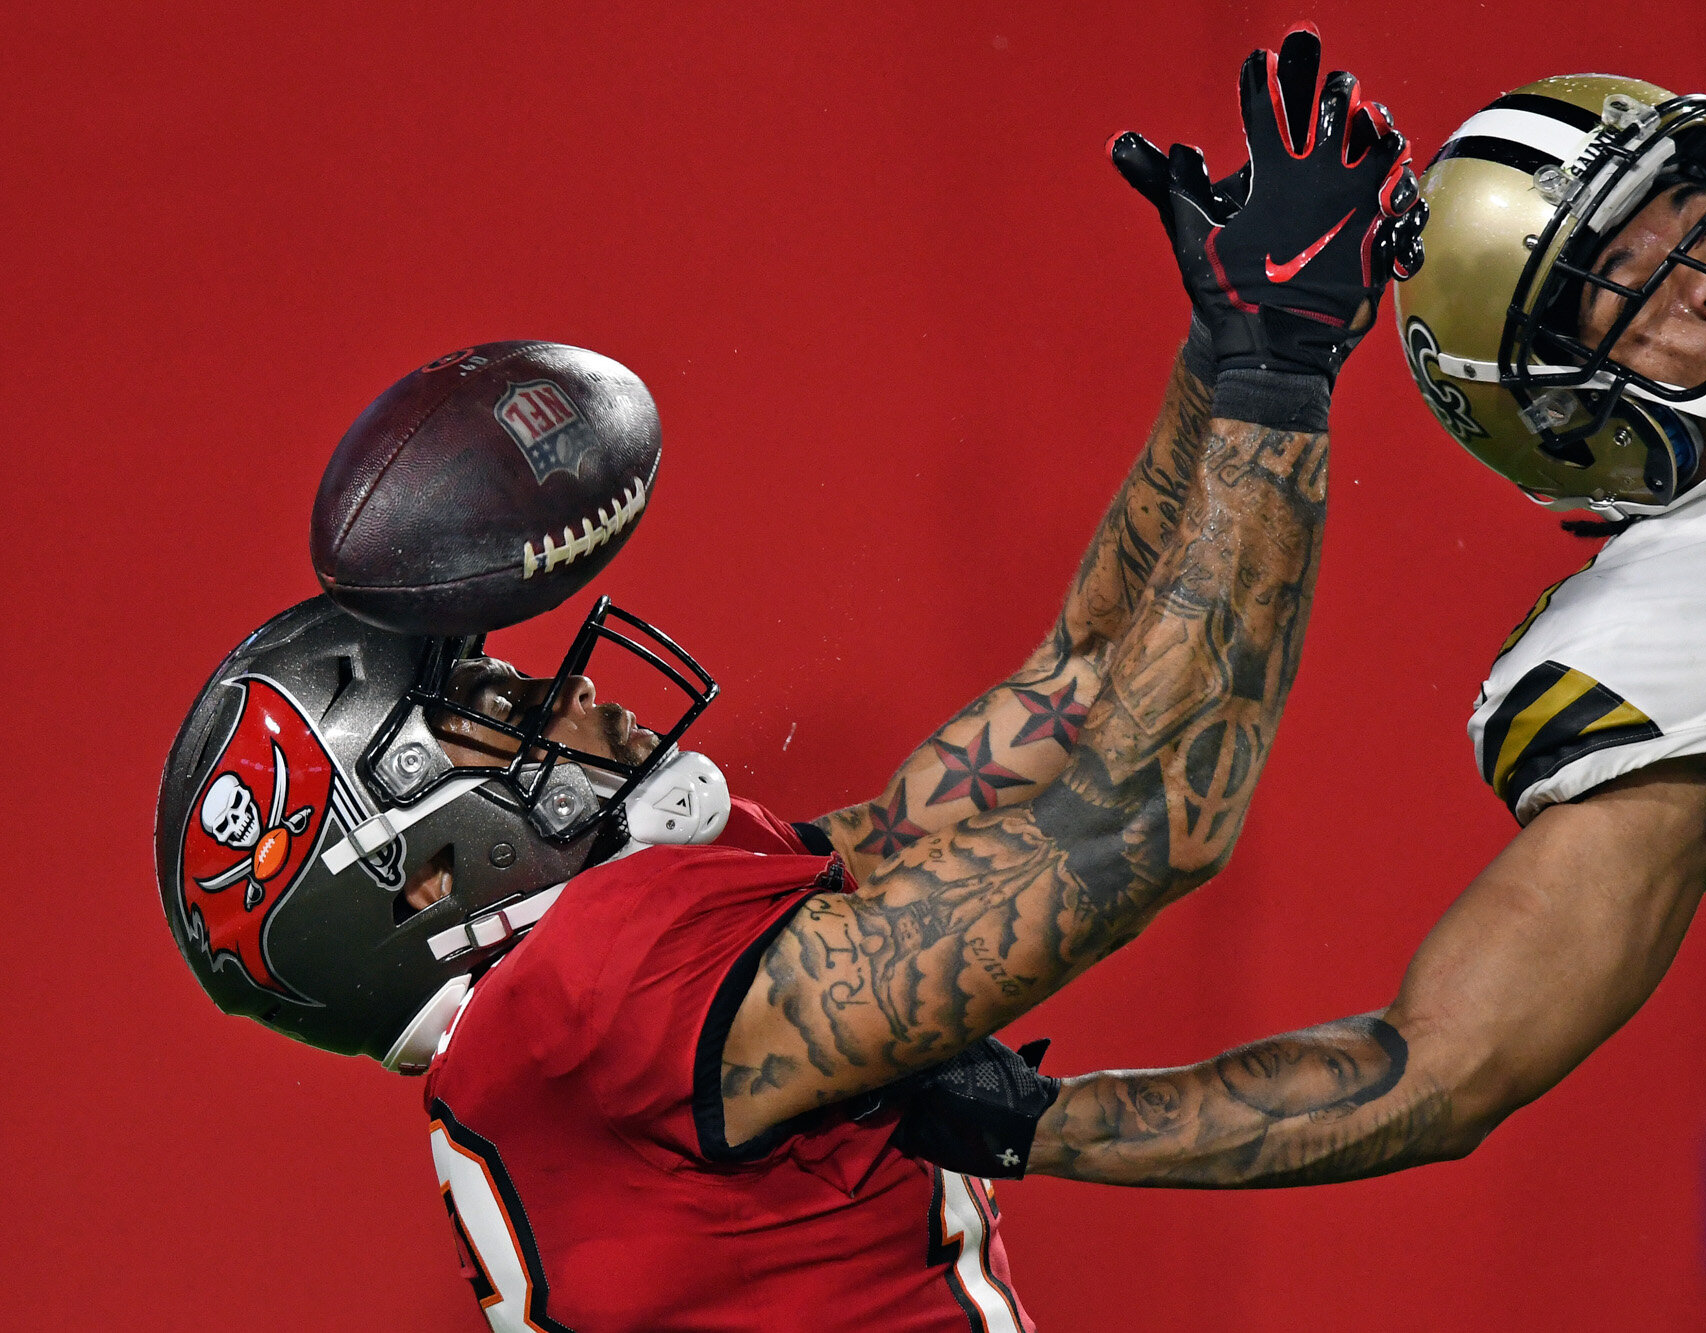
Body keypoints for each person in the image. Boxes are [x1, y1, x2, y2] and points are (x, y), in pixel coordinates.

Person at [153, 30, 1423, 1332]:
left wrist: (1220, 353)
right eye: (491, 713)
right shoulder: (604, 994)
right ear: (422, 878)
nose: (563, 701)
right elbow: (1150, 817)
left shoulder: (590, 994)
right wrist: (1283, 376)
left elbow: (1076, 689)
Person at [888, 72, 1706, 1202]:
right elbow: (1438, 1067)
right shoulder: (1663, 648)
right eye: (1627, 286)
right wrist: (1038, 1121)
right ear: (1565, 410)